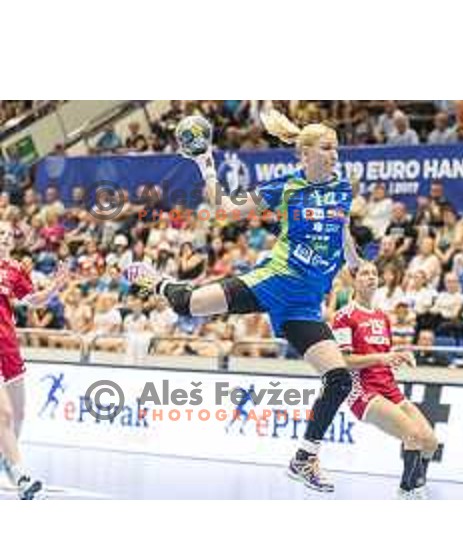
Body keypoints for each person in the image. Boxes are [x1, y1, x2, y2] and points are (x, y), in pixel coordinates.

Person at [126, 109, 360, 493]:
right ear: (305, 154)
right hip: (274, 281)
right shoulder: (286, 188)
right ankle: (156, 282)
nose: (334, 154)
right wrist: (206, 164)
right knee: (186, 305)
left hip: (304, 305)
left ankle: (304, 458)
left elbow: (343, 227)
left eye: (336, 148)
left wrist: (354, 261)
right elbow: (226, 209)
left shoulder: (342, 188)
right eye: (327, 148)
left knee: (338, 381)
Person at [332, 262, 438, 499]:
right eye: (365, 273)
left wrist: (399, 355)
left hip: (389, 387)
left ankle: (417, 484)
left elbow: (383, 355)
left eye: (374, 273)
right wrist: (383, 357)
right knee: (412, 435)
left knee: (429, 441)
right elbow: (345, 361)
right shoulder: (344, 316)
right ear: (354, 280)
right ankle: (406, 491)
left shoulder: (382, 317)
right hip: (363, 391)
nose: (371, 277)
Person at [0, 220, 69, 499]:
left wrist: (55, 287)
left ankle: (7, 460)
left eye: (8, 234)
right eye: (0, 233)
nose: (5, 237)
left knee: (18, 415)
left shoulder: (15, 270)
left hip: (9, 347)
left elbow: (35, 300)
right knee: (3, 414)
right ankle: (21, 475)